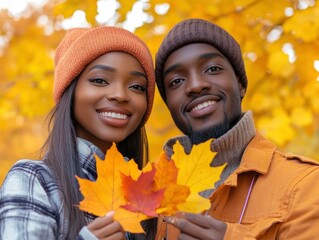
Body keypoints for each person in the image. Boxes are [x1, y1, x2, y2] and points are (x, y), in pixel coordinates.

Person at [154, 18, 319, 239]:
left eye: (212, 69)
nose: (195, 85)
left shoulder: (304, 184)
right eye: (176, 81)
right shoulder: (146, 190)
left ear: (240, 84)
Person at [0, 26, 157, 239]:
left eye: (137, 86)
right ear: (71, 92)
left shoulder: (153, 197)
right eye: (100, 80)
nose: (120, 95)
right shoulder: (35, 179)